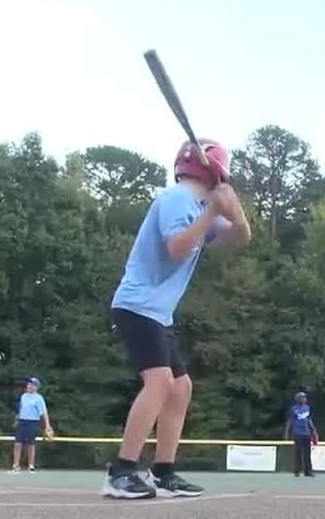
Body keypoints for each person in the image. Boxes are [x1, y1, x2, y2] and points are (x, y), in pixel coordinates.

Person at [102, 138, 251, 500]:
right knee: (160, 383)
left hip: (158, 314)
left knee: (181, 388)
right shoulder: (175, 200)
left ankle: (163, 472)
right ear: (217, 172)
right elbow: (177, 247)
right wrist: (211, 212)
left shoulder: (200, 207)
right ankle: (120, 472)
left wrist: (234, 210)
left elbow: (242, 238)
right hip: (138, 305)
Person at [10, 377, 53, 474]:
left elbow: (43, 413)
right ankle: (16, 465)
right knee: (17, 443)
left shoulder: (39, 398)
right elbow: (21, 409)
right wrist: (17, 419)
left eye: (32, 385)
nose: (29, 386)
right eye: (29, 384)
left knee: (30, 444)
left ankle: (31, 466)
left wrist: (48, 426)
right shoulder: (24, 396)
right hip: (22, 421)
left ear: (36, 387)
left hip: (32, 422)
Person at [284, 391, 318, 477]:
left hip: (306, 433)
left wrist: (314, 431)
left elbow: (309, 420)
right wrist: (287, 432)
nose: (304, 399)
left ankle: (308, 471)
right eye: (302, 398)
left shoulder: (307, 408)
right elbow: (290, 421)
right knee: (297, 453)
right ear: (298, 399)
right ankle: (297, 471)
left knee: (307, 453)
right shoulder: (294, 409)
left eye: (305, 397)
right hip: (298, 433)